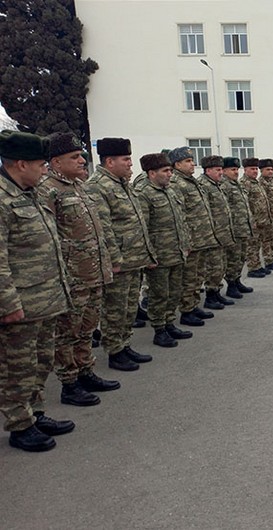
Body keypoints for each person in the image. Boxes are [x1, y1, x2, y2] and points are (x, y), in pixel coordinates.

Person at [0, 130, 75, 452]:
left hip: (46, 299)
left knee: (42, 361)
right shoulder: (3, 200)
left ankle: (36, 412)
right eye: (40, 164)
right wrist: (7, 304)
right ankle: (20, 425)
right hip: (21, 304)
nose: (45, 170)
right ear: (20, 164)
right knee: (18, 368)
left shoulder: (28, 193)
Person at [39, 132, 120, 406]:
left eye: (81, 155)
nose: (82, 160)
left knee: (87, 328)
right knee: (67, 332)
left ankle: (86, 372)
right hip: (72, 277)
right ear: (55, 162)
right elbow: (48, 238)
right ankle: (69, 383)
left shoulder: (80, 187)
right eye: (74, 157)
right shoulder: (47, 190)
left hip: (93, 273)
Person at [86, 137, 157, 371]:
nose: (130, 163)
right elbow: (104, 228)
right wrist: (114, 260)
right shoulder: (99, 186)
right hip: (119, 261)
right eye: (125, 159)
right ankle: (114, 351)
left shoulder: (122, 183)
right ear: (109, 161)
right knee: (115, 308)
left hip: (134, 257)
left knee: (128, 307)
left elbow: (136, 221)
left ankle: (125, 345)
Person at [135, 153, 192, 348]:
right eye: (165, 171)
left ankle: (169, 323)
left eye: (170, 170)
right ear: (152, 173)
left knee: (174, 292)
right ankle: (159, 329)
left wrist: (185, 243)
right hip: (159, 255)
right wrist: (148, 255)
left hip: (176, 251)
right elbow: (142, 228)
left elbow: (180, 220)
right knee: (159, 294)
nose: (170, 174)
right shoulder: (143, 193)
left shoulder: (170, 191)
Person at [168, 146, 218, 326]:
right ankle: (186, 310)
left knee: (197, 276)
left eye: (192, 160)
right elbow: (179, 215)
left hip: (202, 238)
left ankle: (194, 305)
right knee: (188, 278)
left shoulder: (191, 181)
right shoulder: (176, 184)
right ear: (177, 164)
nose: (192, 164)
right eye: (188, 161)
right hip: (191, 240)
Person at [197, 155, 237, 309]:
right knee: (212, 266)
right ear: (208, 170)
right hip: (211, 234)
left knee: (220, 265)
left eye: (221, 169)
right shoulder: (204, 185)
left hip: (221, 233)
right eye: (218, 170)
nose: (221, 172)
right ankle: (210, 296)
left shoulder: (216, 184)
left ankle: (216, 293)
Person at [221, 156, 255, 298]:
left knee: (241, 257)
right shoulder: (224, 186)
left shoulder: (237, 185)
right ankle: (231, 285)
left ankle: (237, 280)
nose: (236, 172)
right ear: (223, 171)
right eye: (232, 169)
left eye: (237, 169)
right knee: (232, 259)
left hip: (243, 228)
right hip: (233, 230)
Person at [241, 157, 273, 277]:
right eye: (252, 169)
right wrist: (251, 220)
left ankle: (258, 265)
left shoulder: (256, 182)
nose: (255, 171)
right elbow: (245, 203)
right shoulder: (245, 183)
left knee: (258, 243)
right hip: (253, 221)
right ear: (245, 170)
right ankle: (253, 268)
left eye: (256, 168)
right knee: (252, 245)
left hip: (262, 220)